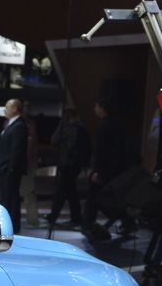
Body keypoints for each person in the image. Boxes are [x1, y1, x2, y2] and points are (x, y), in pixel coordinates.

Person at [83, 100, 138, 240]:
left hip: (104, 168)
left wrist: (97, 170)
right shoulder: (120, 123)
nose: (94, 108)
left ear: (103, 108)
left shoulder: (104, 125)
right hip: (118, 168)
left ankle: (88, 224)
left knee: (94, 197)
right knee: (113, 197)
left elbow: (101, 150)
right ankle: (128, 221)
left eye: (96, 106)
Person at [48, 106, 91, 227]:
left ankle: (60, 217)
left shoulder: (70, 129)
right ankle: (68, 217)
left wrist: (59, 127)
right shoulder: (81, 128)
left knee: (66, 191)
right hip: (75, 164)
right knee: (68, 191)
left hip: (68, 163)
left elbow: (54, 140)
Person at [0, 98, 31, 231]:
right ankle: (9, 225)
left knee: (11, 198)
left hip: (10, 168)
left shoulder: (19, 125)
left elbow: (17, 148)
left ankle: (12, 226)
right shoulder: (12, 124)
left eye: (7, 107)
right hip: (6, 167)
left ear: (14, 109)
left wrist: (11, 167)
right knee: (7, 197)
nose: (5, 110)